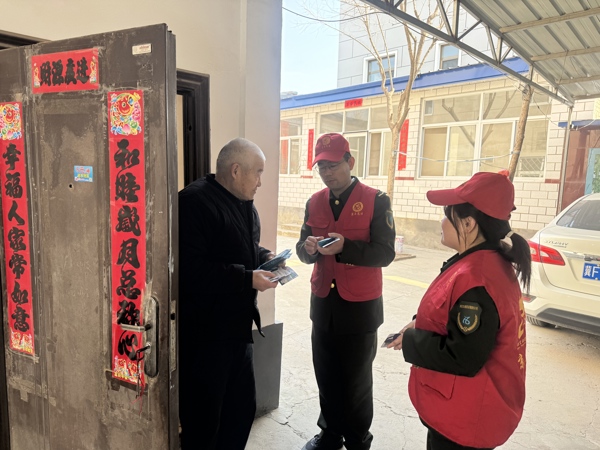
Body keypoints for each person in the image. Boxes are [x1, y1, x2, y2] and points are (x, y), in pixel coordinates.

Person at [386, 171, 531, 450]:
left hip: (467, 420)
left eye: (447, 214)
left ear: (468, 223)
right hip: (464, 411)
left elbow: (463, 356)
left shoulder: (478, 278)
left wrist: (412, 340)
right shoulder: (482, 262)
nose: (441, 222)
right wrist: (419, 323)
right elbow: (449, 311)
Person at [296, 133, 396, 450]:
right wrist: (308, 249)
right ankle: (330, 433)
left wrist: (345, 248)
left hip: (360, 307)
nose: (327, 173)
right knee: (326, 374)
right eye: (321, 167)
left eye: (333, 165)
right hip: (323, 303)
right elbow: (301, 249)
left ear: (350, 162)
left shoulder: (376, 200)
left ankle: (357, 439)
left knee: (356, 381)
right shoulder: (314, 202)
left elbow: (385, 253)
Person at [178, 138, 279, 450]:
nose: (261, 182)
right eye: (258, 173)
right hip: (205, 338)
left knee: (241, 411)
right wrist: (247, 278)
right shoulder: (193, 203)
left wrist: (265, 257)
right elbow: (189, 270)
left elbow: (243, 248)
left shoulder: (244, 203)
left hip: (238, 331)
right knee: (204, 421)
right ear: (236, 171)